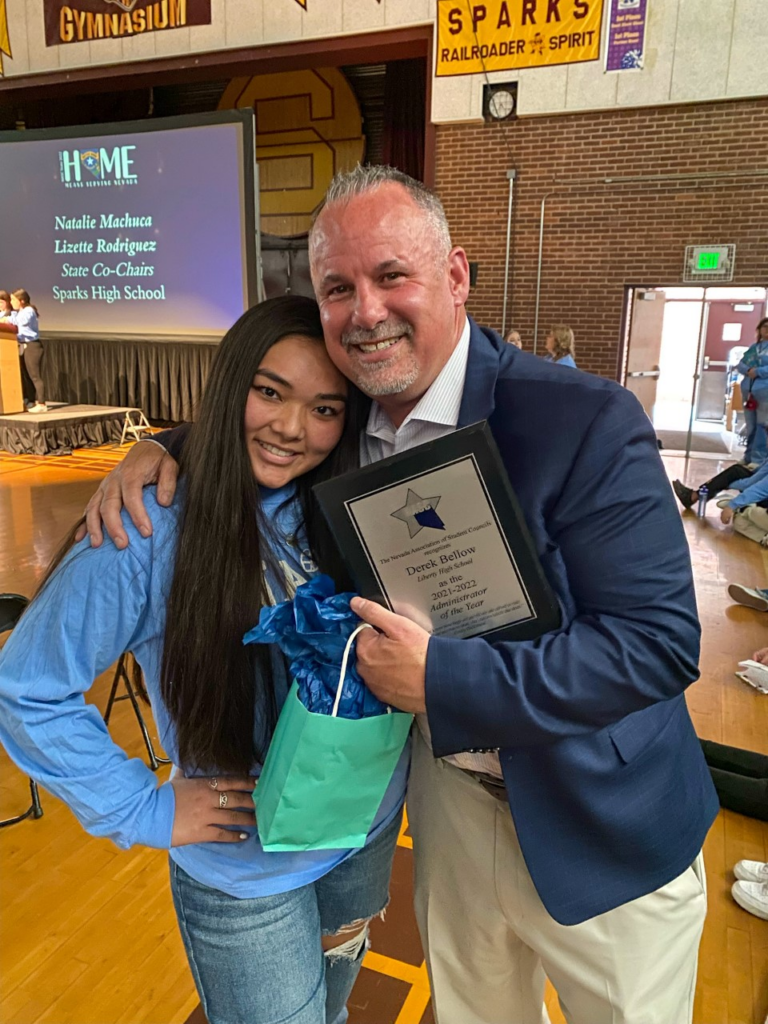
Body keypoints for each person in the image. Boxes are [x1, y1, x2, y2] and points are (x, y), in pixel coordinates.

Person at [78, 167, 715, 1024]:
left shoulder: (583, 419)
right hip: (448, 810)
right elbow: (269, 421)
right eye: (338, 288)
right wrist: (164, 445)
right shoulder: (347, 431)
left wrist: (445, 683)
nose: (364, 311)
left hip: (603, 826)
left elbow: (659, 645)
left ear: (455, 276)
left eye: (391, 277)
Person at [0, 296, 408, 1024]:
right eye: (269, 392)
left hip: (362, 840)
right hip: (246, 875)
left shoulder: (356, 503)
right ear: (229, 388)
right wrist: (141, 808)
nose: (291, 428)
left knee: (337, 1012)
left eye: (325, 408)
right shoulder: (149, 523)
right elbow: (27, 689)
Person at [0, 289, 46, 412]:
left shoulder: (28, 311)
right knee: (26, 376)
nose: (11, 302)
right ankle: (29, 400)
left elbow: (20, 322)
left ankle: (41, 404)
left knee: (35, 376)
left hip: (32, 346)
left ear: (22, 301)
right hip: (23, 345)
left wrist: (6, 320)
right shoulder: (20, 311)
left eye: (13, 300)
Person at [736, 317, 768, 467]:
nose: (767, 329)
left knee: (762, 425)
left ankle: (758, 458)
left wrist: (759, 371)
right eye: (765, 326)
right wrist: (748, 370)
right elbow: (741, 364)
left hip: (764, 392)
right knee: (751, 425)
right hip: (748, 391)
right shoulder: (754, 348)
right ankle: (748, 456)